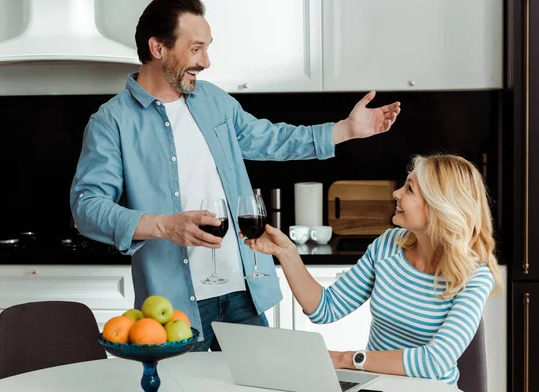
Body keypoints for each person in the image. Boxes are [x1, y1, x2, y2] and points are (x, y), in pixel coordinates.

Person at [69, 0, 401, 351]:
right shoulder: (112, 122)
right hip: (174, 308)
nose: (206, 62)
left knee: (260, 388)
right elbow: (86, 207)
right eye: (196, 49)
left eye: (207, 48)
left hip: (243, 291)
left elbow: (272, 139)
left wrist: (344, 130)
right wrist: (165, 225)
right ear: (158, 48)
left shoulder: (213, 100)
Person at [241, 154, 504, 387]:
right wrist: (286, 253)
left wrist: (346, 359)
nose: (396, 193)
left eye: (409, 189)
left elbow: (434, 361)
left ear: (440, 207)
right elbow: (325, 308)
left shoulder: (475, 276)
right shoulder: (388, 246)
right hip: (377, 388)